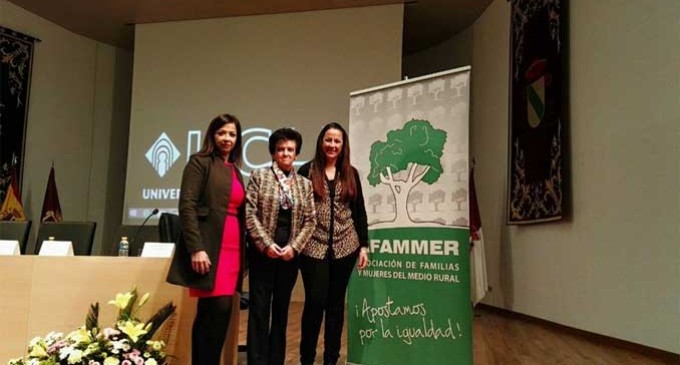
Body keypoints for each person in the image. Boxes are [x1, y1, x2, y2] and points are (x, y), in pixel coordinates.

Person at [166, 113, 246, 364]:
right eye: (222, 133)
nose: (227, 138)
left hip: (233, 251)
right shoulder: (199, 162)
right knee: (214, 309)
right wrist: (196, 248)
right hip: (210, 248)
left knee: (221, 314)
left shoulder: (236, 170)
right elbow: (187, 206)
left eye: (232, 134)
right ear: (212, 135)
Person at [297, 122, 369, 365]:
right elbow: (297, 212)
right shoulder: (306, 171)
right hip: (312, 248)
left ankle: (331, 359)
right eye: (328, 139)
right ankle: (306, 358)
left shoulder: (351, 173)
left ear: (343, 145)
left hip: (345, 247)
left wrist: (364, 246)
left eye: (337, 141)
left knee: (336, 306)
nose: (332, 145)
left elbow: (359, 212)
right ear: (320, 142)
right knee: (315, 302)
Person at [245, 127, 317, 365]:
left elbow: (310, 221)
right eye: (280, 149)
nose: (285, 153)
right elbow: (250, 213)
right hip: (262, 254)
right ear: (273, 152)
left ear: (296, 154)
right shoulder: (259, 176)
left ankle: (276, 360)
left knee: (281, 311)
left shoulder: (304, 184)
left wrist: (294, 248)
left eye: (290, 149)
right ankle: (256, 361)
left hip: (289, 256)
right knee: (259, 311)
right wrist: (265, 244)